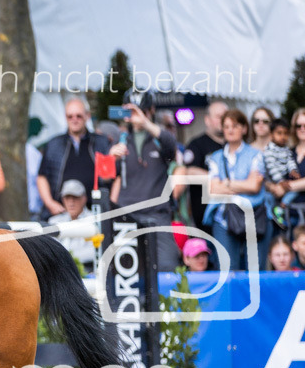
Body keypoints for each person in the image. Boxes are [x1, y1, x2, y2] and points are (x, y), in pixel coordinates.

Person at [109, 90, 182, 272]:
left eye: (141, 110)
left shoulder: (159, 137)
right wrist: (110, 159)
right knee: (127, 271)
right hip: (127, 215)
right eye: (131, 111)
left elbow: (171, 147)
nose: (136, 116)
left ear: (151, 110)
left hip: (157, 214)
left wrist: (146, 123)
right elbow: (104, 177)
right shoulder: (121, 140)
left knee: (167, 265)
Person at [203, 109, 267, 271]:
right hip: (223, 218)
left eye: (235, 125)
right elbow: (213, 188)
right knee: (227, 270)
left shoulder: (255, 154)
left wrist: (226, 183)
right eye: (226, 126)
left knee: (253, 271)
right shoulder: (215, 157)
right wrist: (243, 184)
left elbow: (254, 187)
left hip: (252, 217)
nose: (230, 130)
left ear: (244, 129)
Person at [37, 98, 112, 219]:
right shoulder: (54, 144)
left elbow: (111, 177)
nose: (74, 120)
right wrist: (50, 203)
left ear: (87, 116)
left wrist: (108, 206)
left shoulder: (101, 142)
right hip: (60, 214)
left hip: (94, 214)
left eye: (79, 116)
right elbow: (42, 177)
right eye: (70, 116)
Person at [179, 100, 228, 233]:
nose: (223, 120)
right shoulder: (196, 144)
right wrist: (218, 180)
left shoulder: (234, 145)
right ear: (207, 120)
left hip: (232, 216)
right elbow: (188, 171)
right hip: (204, 218)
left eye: (226, 116)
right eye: (218, 117)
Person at [47, 179, 96, 270]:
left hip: (87, 269)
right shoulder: (54, 221)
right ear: (63, 199)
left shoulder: (94, 220)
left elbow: (94, 252)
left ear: (84, 199)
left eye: (75, 197)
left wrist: (65, 257)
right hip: (59, 269)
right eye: (67, 198)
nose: (71, 202)